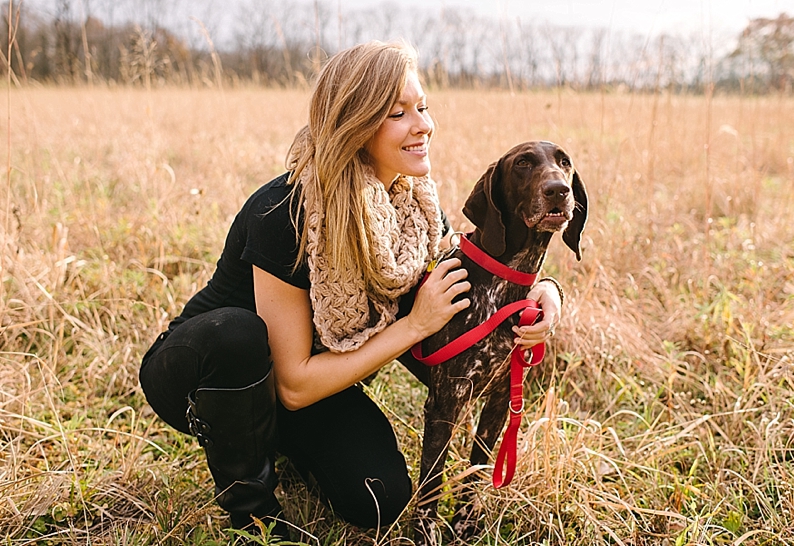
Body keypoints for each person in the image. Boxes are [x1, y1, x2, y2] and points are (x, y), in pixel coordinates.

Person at [139, 40, 563, 539]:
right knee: (238, 333)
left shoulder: (415, 213)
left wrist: (546, 292)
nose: (423, 125)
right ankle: (252, 512)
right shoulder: (286, 210)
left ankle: (282, 446)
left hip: (315, 386)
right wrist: (413, 326)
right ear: (357, 123)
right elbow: (294, 385)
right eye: (398, 113)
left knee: (379, 500)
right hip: (208, 376)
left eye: (422, 108)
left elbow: (480, 281)